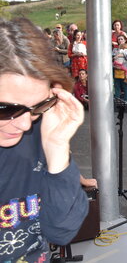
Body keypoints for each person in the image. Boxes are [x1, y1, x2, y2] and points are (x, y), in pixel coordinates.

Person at [0, 17, 88, 262]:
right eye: (7, 109)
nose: (26, 124)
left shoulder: (39, 132)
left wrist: (57, 147)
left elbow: (61, 231)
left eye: (39, 105)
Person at [113, 34, 127, 102]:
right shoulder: (115, 49)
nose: (120, 40)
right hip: (116, 69)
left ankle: (125, 100)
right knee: (117, 85)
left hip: (124, 70)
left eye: (121, 39)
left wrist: (119, 54)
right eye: (119, 39)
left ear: (125, 40)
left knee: (124, 85)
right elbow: (113, 58)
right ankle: (117, 99)